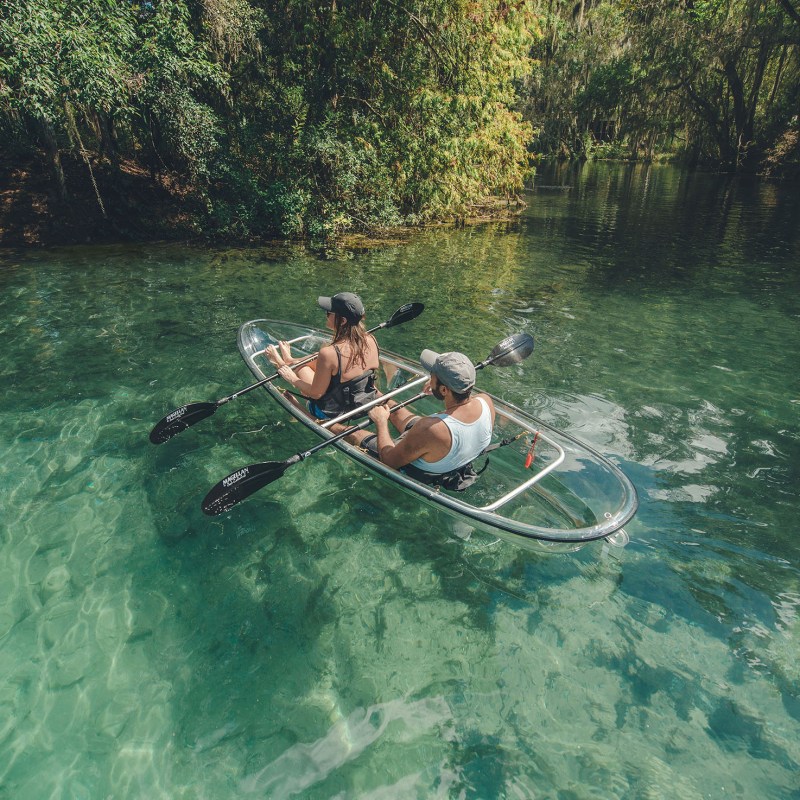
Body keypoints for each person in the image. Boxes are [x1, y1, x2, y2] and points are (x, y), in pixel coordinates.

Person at [348, 349, 495, 490]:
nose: (430, 377)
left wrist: (381, 422)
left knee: (356, 434)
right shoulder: (485, 401)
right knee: (398, 411)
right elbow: (459, 407)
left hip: (415, 468)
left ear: (445, 389)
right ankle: (373, 394)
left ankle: (326, 424)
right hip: (448, 457)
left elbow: (389, 461)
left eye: (432, 375)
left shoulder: (430, 428)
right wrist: (437, 389)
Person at [265, 292, 380, 420]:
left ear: (342, 321)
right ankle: (289, 360)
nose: (326, 316)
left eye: (328, 313)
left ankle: (283, 365)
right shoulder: (371, 339)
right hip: (361, 404)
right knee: (319, 358)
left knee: (303, 368)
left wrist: (291, 378)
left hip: (331, 412)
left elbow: (316, 394)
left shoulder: (330, 353)